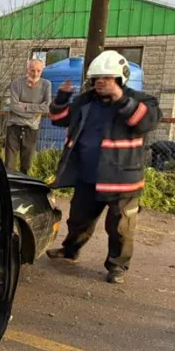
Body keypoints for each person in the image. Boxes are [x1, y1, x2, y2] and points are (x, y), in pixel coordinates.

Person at [45, 50, 161, 284]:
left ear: (119, 78)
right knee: (78, 219)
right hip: (88, 176)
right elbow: (58, 119)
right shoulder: (85, 101)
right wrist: (61, 98)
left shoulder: (142, 100)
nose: (100, 83)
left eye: (106, 78)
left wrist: (120, 98)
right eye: (96, 79)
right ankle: (70, 250)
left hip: (122, 180)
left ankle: (117, 266)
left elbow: (145, 123)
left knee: (120, 228)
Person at [5, 59, 52, 174]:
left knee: (26, 164)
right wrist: (35, 110)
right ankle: (9, 186)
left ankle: (24, 188)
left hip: (31, 128)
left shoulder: (46, 84)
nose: (35, 74)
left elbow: (46, 107)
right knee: (9, 164)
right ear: (27, 70)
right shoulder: (16, 83)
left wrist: (26, 106)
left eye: (38, 71)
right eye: (32, 70)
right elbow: (14, 106)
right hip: (14, 126)